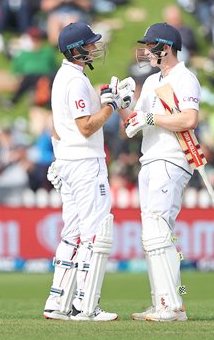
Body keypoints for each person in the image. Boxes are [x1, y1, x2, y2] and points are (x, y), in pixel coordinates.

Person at [43, 21, 135, 322]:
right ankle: (87, 306)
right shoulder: (75, 81)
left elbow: (60, 127)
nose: (95, 48)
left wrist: (104, 97)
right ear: (76, 50)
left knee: (71, 233)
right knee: (95, 232)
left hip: (69, 161)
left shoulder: (64, 77)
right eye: (90, 44)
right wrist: (112, 106)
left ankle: (58, 303)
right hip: (85, 163)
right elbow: (85, 127)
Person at [122, 22, 201, 321]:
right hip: (150, 159)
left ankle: (172, 304)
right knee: (152, 234)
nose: (145, 51)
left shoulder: (184, 77)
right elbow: (134, 121)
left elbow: (189, 119)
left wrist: (150, 118)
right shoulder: (155, 81)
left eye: (150, 45)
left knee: (158, 230)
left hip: (171, 159)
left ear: (165, 48)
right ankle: (163, 303)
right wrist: (120, 104)